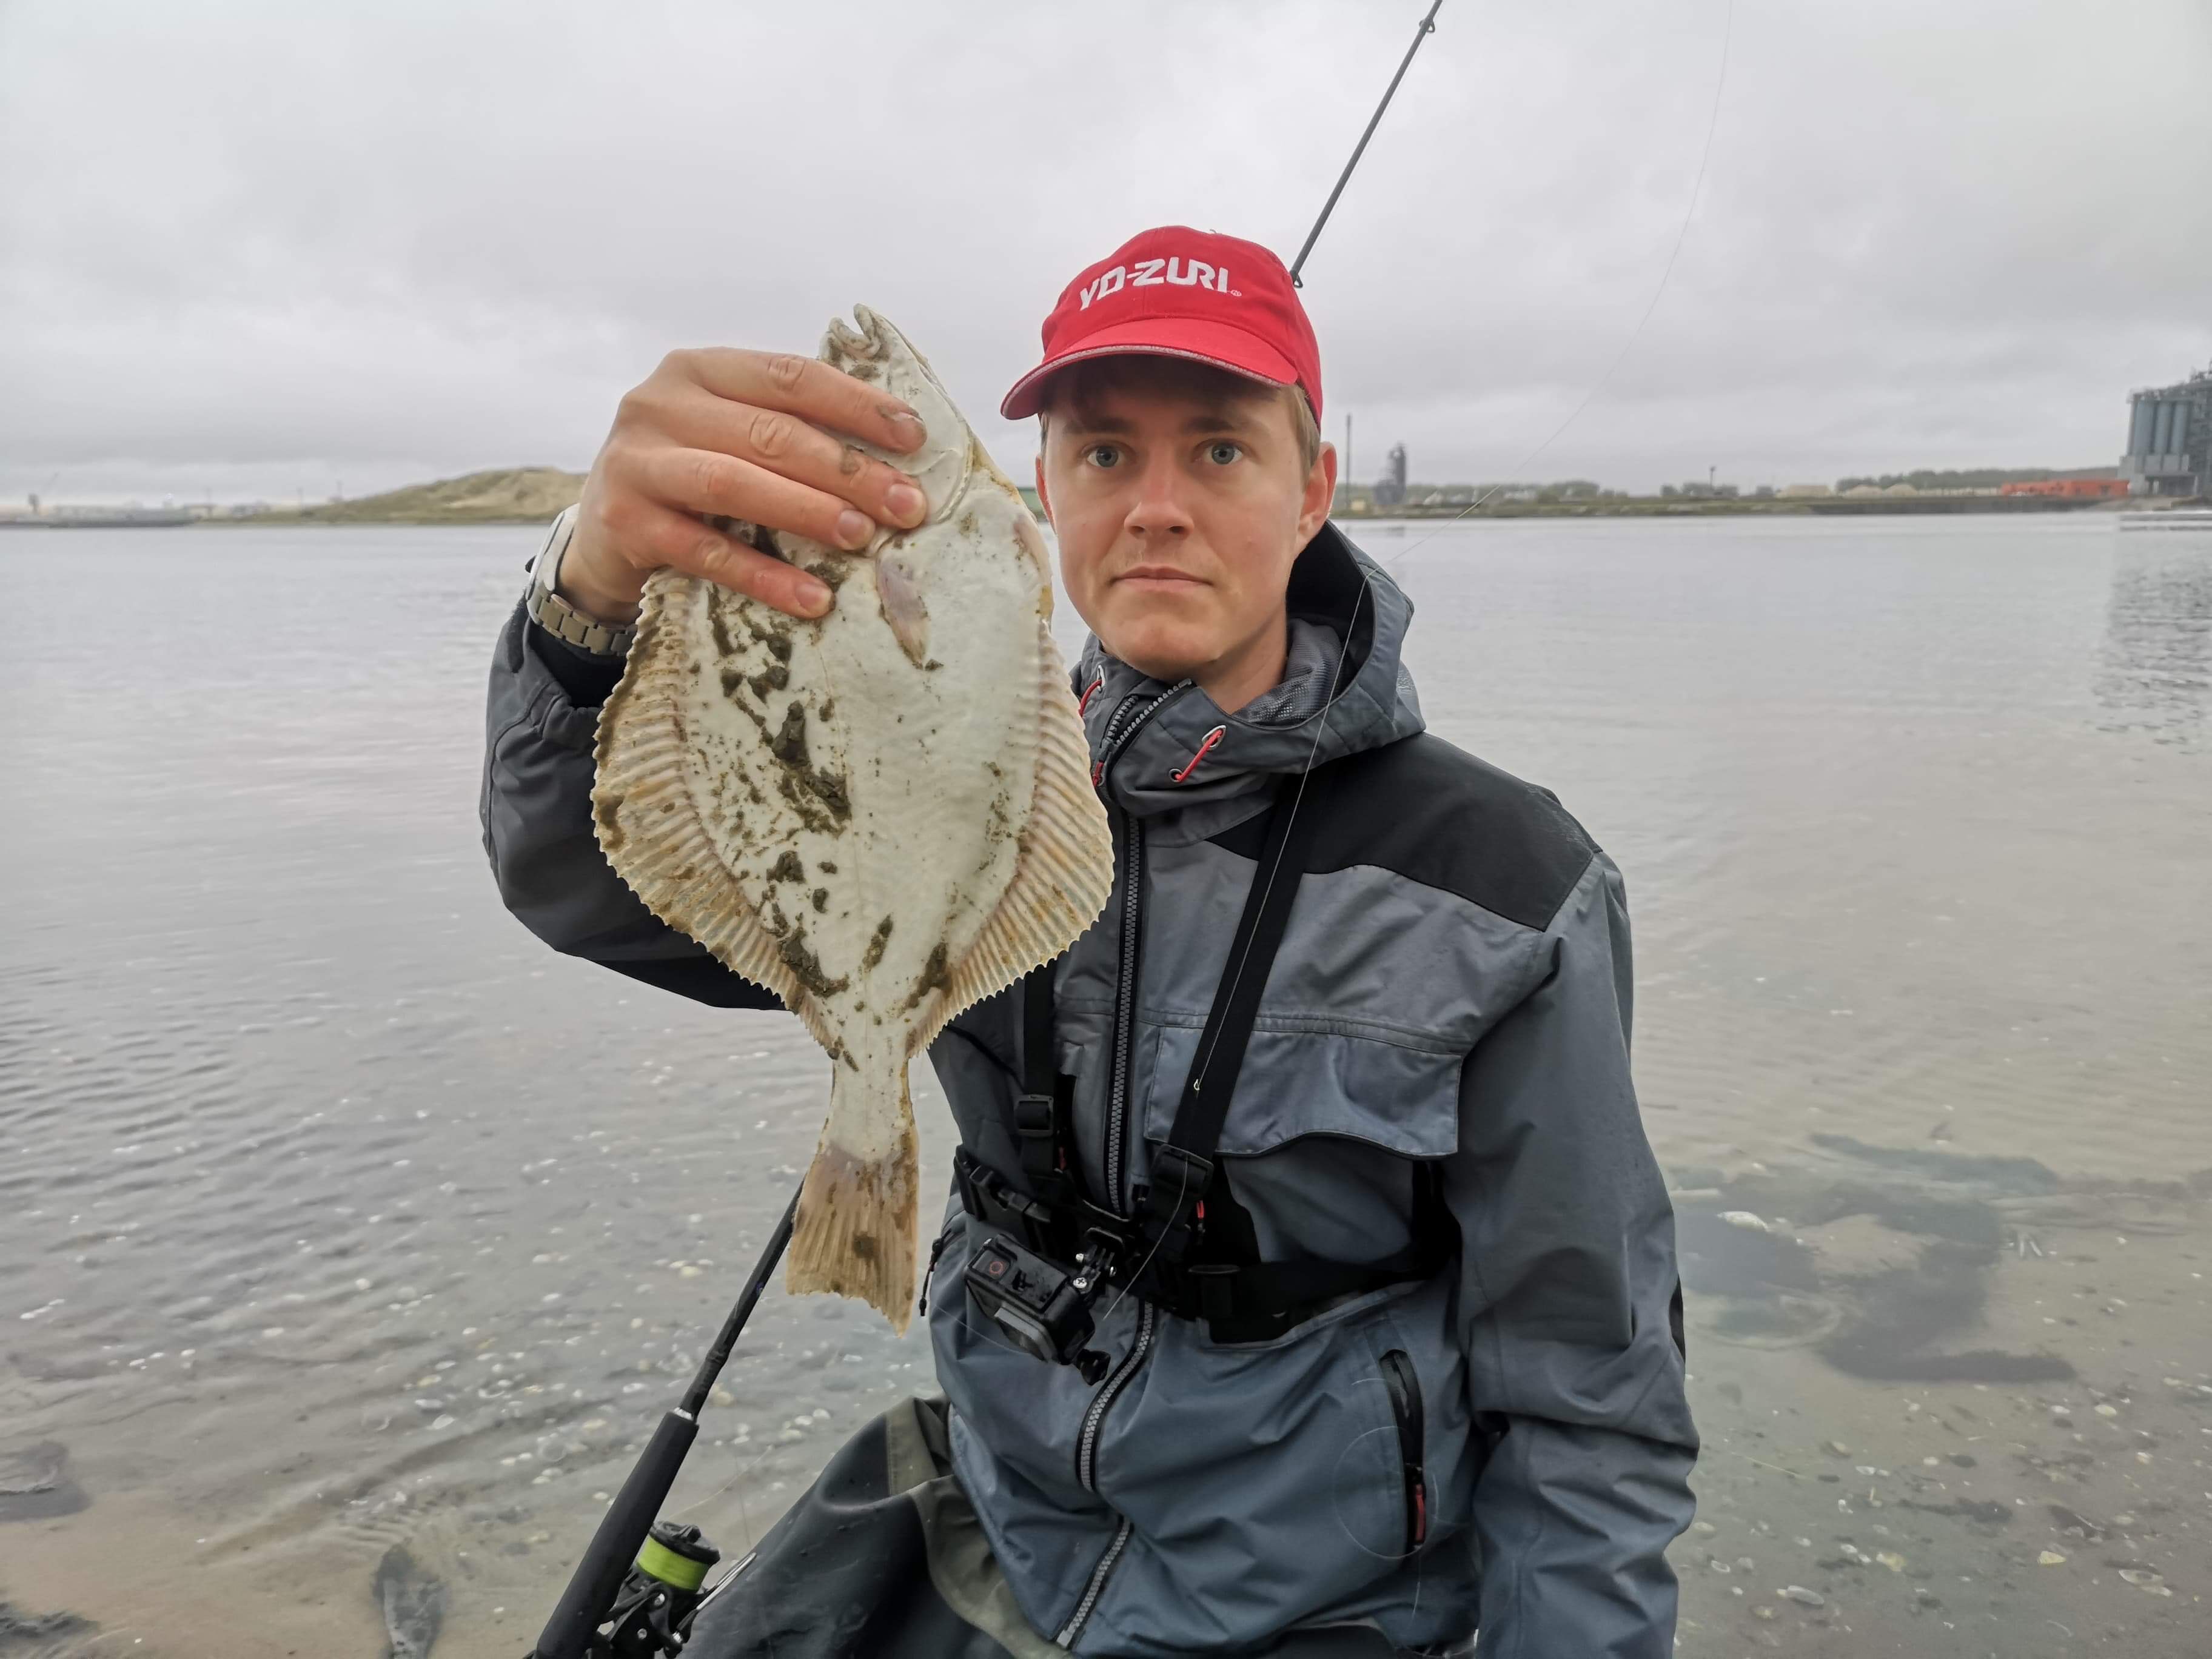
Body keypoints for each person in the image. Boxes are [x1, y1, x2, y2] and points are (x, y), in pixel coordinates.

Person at [482, 226, 1698, 1658]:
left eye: (1223, 453)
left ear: (1315, 489)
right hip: (1001, 1530)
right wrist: (592, 588)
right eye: (1106, 454)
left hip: (1325, 1611)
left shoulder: (1504, 884)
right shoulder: (974, 774)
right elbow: (579, 884)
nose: (1156, 508)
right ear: (1041, 494)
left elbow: (1592, 1400)